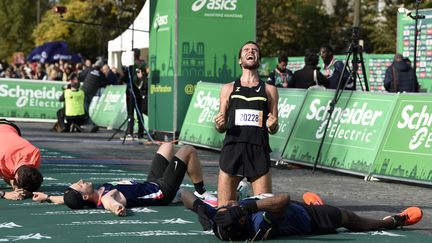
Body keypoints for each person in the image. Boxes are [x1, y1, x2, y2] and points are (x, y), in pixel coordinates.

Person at [32, 143, 217, 215]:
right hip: (163, 191)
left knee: (167, 146)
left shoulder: (95, 192)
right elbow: (112, 204)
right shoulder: (105, 199)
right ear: (86, 197)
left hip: (151, 182)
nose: (81, 180)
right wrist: (117, 209)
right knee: (187, 150)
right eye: (80, 185)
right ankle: (202, 192)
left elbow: (66, 199)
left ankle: (196, 190)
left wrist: (47, 197)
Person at [182, 191, 423, 241]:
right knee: (348, 218)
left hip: (297, 208)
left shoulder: (221, 223)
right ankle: (394, 220)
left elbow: (184, 195)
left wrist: (200, 208)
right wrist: (244, 207)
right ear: (241, 218)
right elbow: (283, 200)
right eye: (227, 208)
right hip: (311, 219)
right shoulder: (256, 224)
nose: (224, 205)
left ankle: (318, 202)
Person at [214, 41, 279, 208]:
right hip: (232, 149)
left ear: (258, 59)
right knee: (224, 209)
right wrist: (219, 124)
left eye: (255, 50)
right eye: (246, 50)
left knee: (264, 210)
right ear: (240, 60)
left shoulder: (270, 90)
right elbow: (220, 125)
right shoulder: (228, 88)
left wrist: (272, 126)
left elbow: (273, 128)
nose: (251, 51)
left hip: (259, 150)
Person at [0, 120, 43, 200]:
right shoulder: (2, 159)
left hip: (9, 127)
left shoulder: (35, 154)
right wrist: (4, 194)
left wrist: (18, 188)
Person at [122, 49, 147, 140]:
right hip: (138, 92)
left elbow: (125, 78)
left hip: (132, 92)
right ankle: (140, 133)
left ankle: (130, 132)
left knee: (131, 113)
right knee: (138, 112)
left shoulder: (133, 66)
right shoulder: (141, 64)